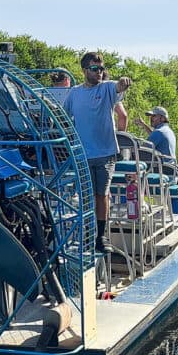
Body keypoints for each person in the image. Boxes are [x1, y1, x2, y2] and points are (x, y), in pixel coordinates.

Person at [62, 52, 131, 251]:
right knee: (85, 196)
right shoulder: (74, 93)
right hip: (83, 154)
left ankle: (101, 237)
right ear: (85, 71)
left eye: (101, 68)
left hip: (105, 153)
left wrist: (123, 83)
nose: (99, 72)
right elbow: (63, 118)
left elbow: (118, 87)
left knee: (102, 195)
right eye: (95, 69)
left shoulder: (107, 88)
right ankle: (86, 233)